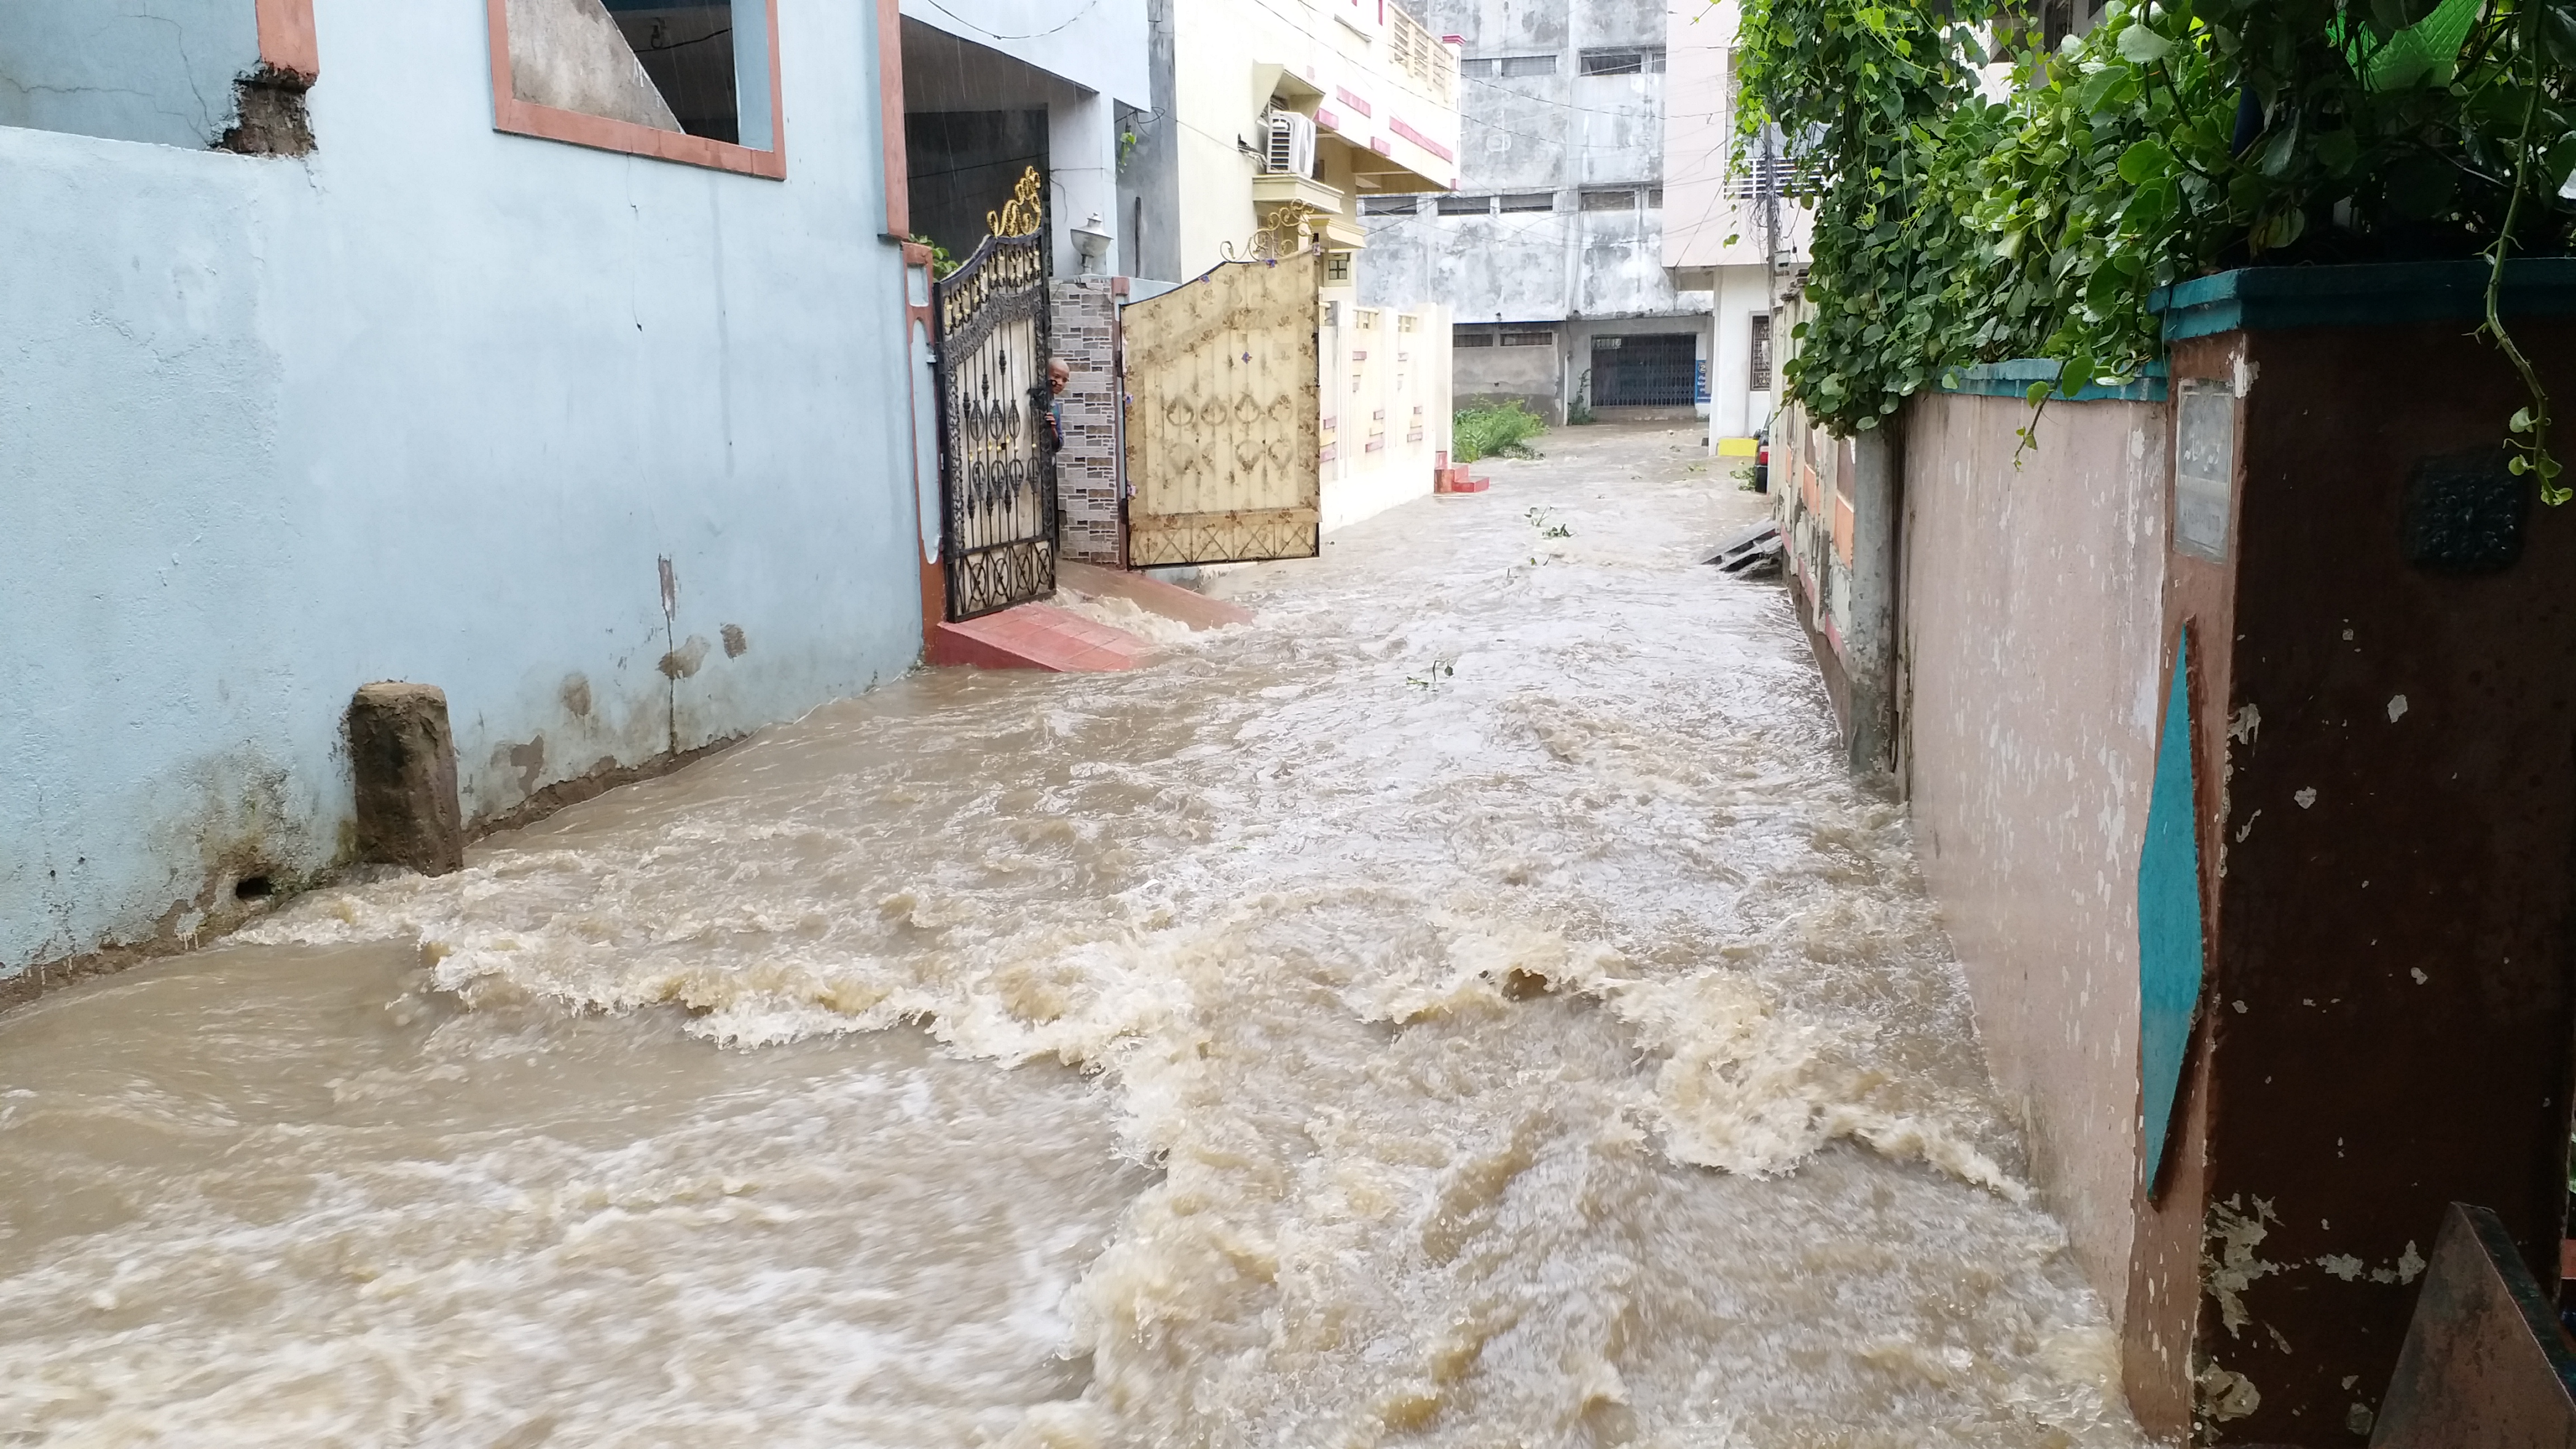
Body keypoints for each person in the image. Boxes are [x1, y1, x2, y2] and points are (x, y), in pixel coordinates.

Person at [1045, 357, 1071, 451]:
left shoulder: (1055, 407)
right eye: (1056, 377)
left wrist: (1053, 429)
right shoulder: (1034, 400)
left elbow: (1058, 445)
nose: (1060, 383)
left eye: (1065, 380)